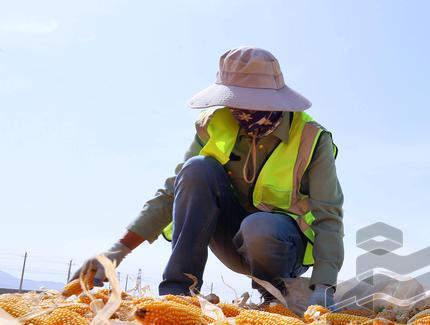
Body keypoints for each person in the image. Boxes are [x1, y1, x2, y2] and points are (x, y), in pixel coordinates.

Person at [73, 47, 344, 307]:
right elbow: (173, 191)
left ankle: (273, 295)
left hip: (282, 247)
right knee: (196, 168)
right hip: (230, 238)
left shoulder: (311, 138)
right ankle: (179, 293)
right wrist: (117, 251)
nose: (243, 109)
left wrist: (323, 288)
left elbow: (327, 217)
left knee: (259, 226)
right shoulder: (215, 123)